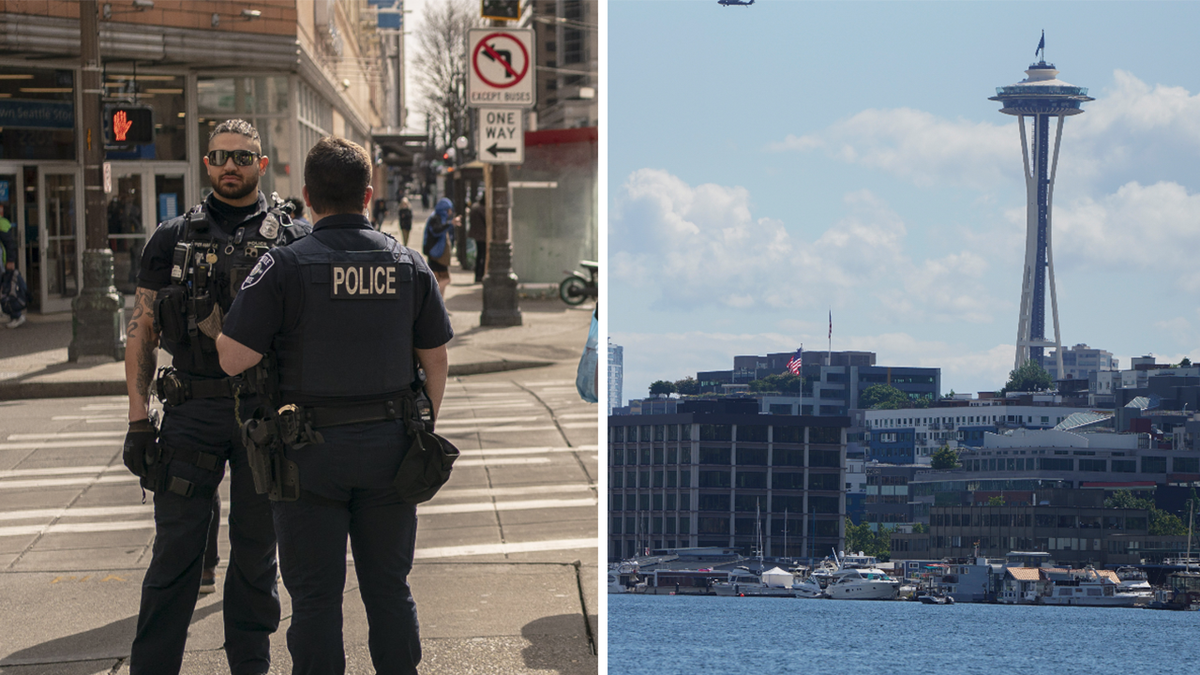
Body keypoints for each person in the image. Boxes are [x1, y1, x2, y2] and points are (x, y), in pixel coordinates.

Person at [215, 136, 452, 675]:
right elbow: (435, 361)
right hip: (392, 450)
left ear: (307, 196)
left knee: (317, 600)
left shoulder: (283, 266)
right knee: (389, 590)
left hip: (307, 457)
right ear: (368, 195)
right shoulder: (408, 264)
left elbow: (231, 358)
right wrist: (421, 427)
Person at [121, 119, 307, 675]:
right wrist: (137, 422)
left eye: (244, 157)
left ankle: (250, 666)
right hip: (190, 411)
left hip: (261, 414)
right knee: (175, 553)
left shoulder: (293, 239)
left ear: (262, 165)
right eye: (222, 156)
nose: (232, 166)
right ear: (206, 163)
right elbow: (142, 330)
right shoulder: (170, 237)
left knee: (255, 557)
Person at [0, 203, 26, 328]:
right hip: (4, 263)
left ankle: (17, 315)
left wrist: (10, 260)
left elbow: (9, 243)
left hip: (3, 263)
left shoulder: (2, 224)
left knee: (7, 289)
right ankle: (15, 315)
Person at [423, 197, 455, 294]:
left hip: (438, 253)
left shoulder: (441, 218)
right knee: (442, 279)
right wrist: (449, 224)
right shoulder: (436, 218)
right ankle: (437, 301)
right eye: (449, 210)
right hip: (436, 254)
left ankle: (439, 302)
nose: (450, 212)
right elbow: (436, 231)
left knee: (438, 279)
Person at [468, 198, 487, 283]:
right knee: (482, 255)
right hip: (482, 235)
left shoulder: (474, 207)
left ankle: (478, 275)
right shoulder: (482, 209)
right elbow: (486, 220)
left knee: (479, 255)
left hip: (476, 234)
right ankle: (480, 274)